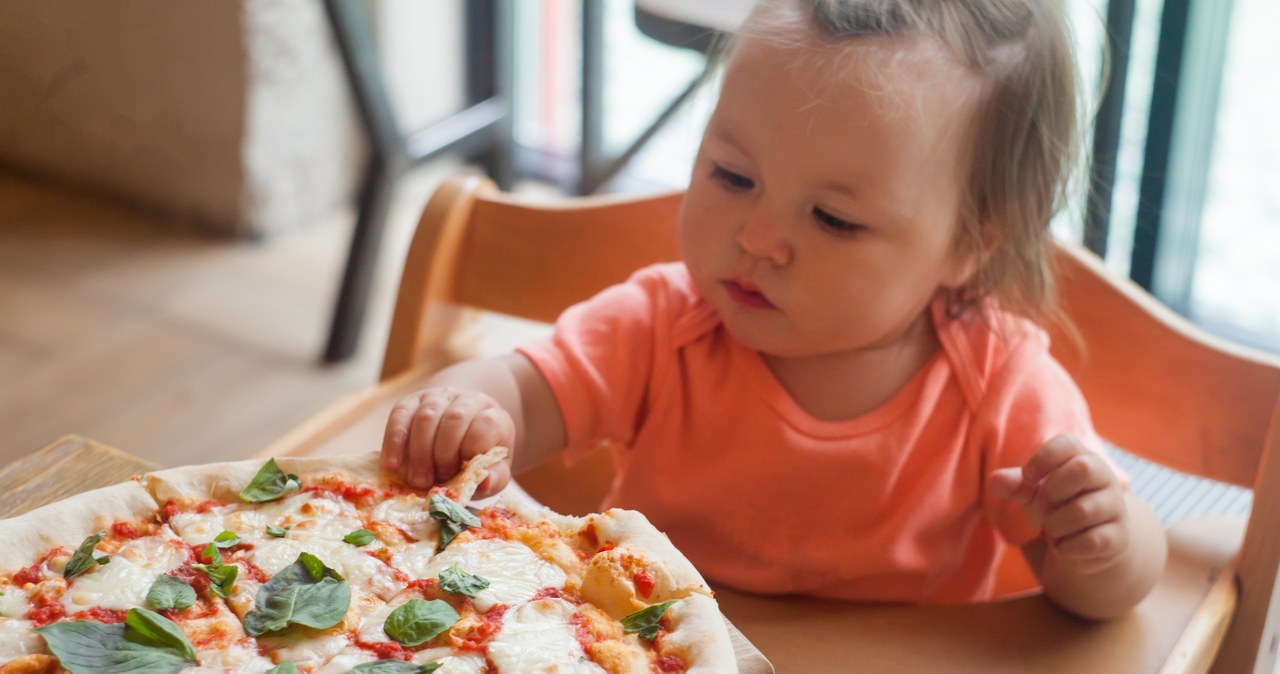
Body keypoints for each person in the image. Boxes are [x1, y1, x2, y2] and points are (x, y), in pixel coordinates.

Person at [381, 0, 1167, 620]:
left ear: (968, 248)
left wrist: (1101, 543)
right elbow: (522, 393)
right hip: (650, 645)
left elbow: (1096, 596)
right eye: (731, 175)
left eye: (834, 220)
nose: (758, 238)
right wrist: (467, 409)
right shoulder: (664, 322)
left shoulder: (999, 383)